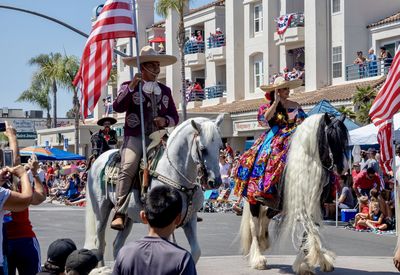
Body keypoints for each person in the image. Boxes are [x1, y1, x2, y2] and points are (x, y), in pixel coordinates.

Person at [111, 45, 179, 230]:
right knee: (128, 166)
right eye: (153, 65)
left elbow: (175, 116)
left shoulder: (165, 90)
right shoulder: (128, 86)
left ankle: (186, 206)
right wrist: (132, 85)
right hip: (135, 136)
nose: (157, 69)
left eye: (158, 65)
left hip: (159, 137)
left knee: (181, 161)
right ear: (143, 67)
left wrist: (164, 120)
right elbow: (117, 107)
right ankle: (120, 211)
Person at [233, 76, 305, 208]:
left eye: (288, 88)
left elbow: (299, 122)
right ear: (276, 91)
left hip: (291, 133)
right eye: (284, 89)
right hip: (274, 135)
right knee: (262, 155)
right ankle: (264, 190)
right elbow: (265, 120)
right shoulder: (266, 107)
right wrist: (276, 102)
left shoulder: (294, 105)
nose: (287, 91)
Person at [112, 185, 197, 275]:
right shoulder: (183, 259)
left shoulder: (124, 253)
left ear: (143, 216)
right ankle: (120, 209)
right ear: (178, 219)